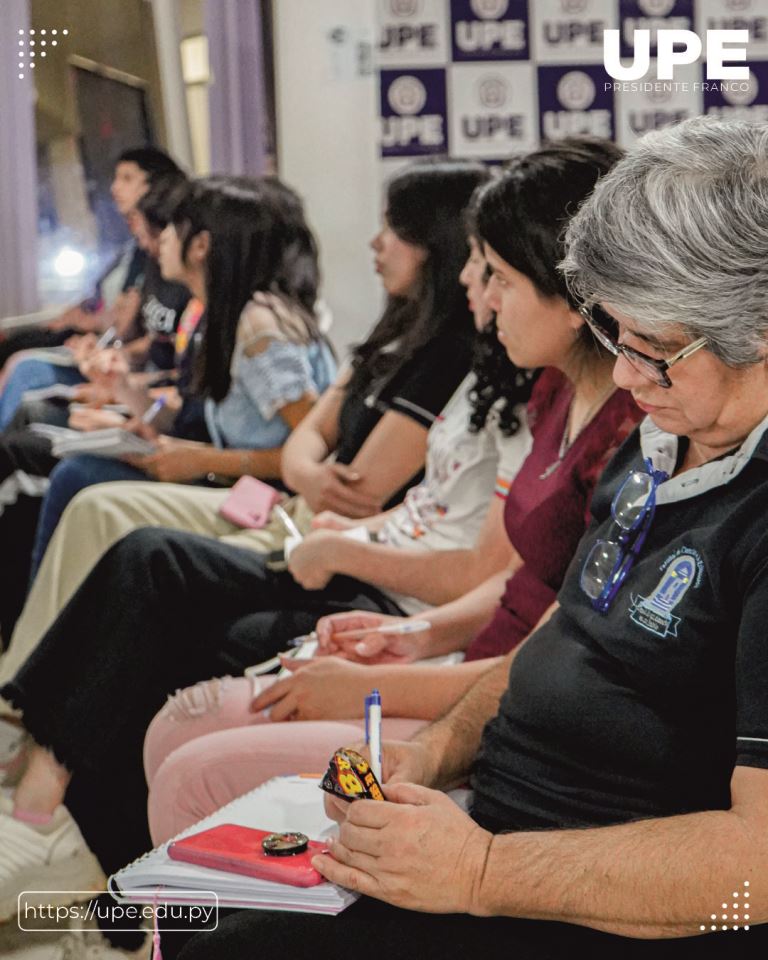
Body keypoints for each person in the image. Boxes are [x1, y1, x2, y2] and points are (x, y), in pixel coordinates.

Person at [163, 116, 768, 959]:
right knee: (206, 902)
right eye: (614, 337)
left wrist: (482, 870)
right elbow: (568, 630)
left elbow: (756, 867)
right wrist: (437, 757)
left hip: (582, 891)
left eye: (657, 350)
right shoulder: (664, 436)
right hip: (501, 824)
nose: (628, 376)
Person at [0, 162, 487, 907]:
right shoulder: (405, 336)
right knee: (124, 538)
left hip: (339, 555)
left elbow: (354, 482)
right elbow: (317, 455)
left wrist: (322, 514)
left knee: (122, 534)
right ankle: (52, 773)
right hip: (329, 538)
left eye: (395, 231)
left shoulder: (451, 356)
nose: (374, 243)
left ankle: (52, 779)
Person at [138, 139, 643, 843]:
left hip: (495, 703)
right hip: (462, 659)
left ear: (570, 295)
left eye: (496, 274)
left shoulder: (630, 432)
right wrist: (410, 637)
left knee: (194, 761)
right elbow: (518, 582)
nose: (480, 292)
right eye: (475, 266)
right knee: (175, 725)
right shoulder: (554, 389)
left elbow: (556, 647)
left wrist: (376, 677)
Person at [0, 147, 183, 423]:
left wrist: (103, 342)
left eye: (127, 178)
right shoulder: (142, 256)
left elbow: (138, 335)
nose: (114, 187)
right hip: (126, 367)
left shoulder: (177, 277)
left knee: (26, 370)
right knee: (17, 354)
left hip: (142, 379)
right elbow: (152, 339)